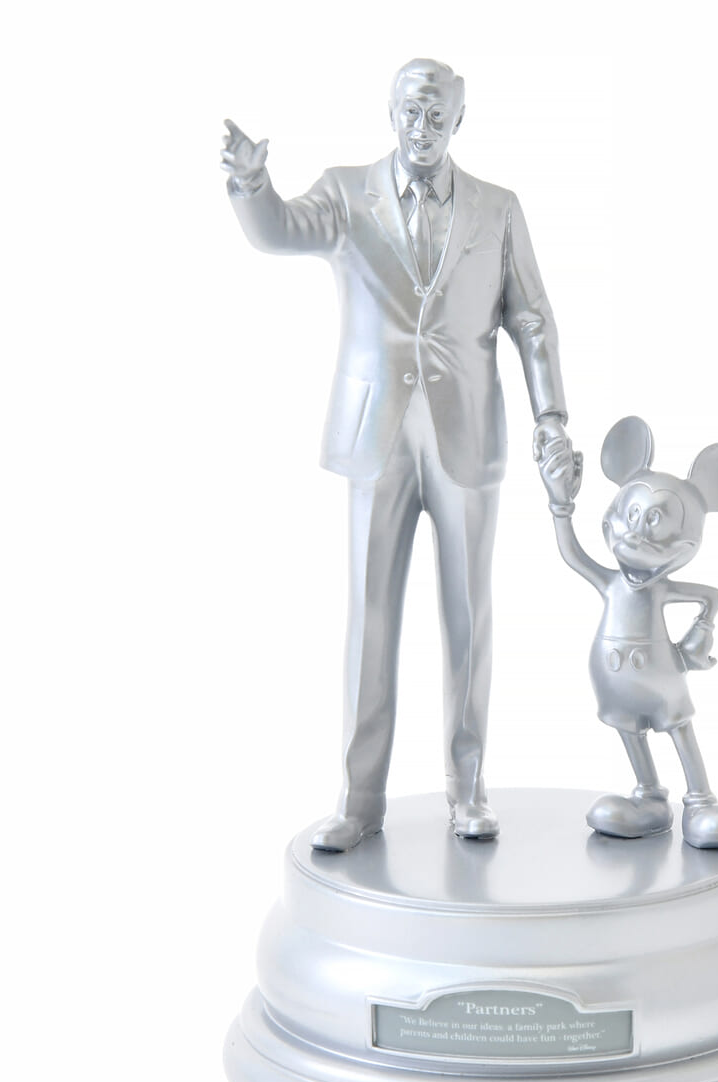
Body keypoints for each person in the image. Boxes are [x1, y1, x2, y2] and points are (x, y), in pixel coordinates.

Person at [221, 58, 578, 850]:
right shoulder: (347, 193)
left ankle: (468, 789)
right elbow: (280, 230)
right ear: (391, 113)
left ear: (460, 119)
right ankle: (359, 801)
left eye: (438, 112)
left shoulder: (498, 208)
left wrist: (551, 416)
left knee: (469, 618)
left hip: (467, 433)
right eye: (412, 110)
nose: (424, 125)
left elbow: (532, 319)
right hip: (375, 433)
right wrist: (251, 184)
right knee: (369, 616)